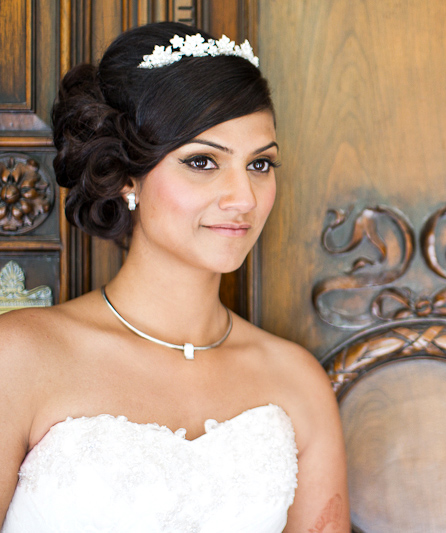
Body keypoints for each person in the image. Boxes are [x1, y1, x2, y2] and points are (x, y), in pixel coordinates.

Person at [0, 21, 349, 532]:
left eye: (260, 165)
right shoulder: (20, 357)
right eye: (203, 161)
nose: (244, 199)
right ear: (125, 176)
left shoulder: (297, 383)